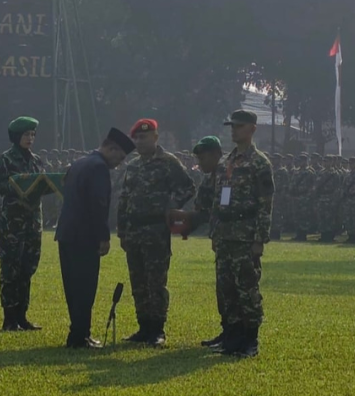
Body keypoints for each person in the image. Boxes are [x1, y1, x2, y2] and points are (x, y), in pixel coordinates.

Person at [116, 119, 195, 347]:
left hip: (156, 230)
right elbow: (124, 198)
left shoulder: (168, 162)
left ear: (155, 138)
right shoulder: (133, 165)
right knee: (138, 281)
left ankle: (157, 329)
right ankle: (143, 327)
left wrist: (170, 207)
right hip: (134, 230)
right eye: (137, 138)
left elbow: (188, 187)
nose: (140, 141)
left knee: (155, 281)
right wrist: (121, 230)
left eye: (145, 137)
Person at [56, 128, 134, 349]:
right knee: (85, 287)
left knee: (73, 287)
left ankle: (77, 332)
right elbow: (98, 205)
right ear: (111, 148)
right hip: (85, 236)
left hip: (67, 234)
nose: (118, 163)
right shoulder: (99, 168)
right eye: (119, 157)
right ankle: (80, 336)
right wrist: (104, 236)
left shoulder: (80, 163)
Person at [211, 110, 273, 357]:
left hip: (245, 234)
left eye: (238, 126)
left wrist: (260, 238)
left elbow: (265, 203)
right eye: (232, 126)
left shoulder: (259, 163)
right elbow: (218, 200)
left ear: (252, 129)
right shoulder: (227, 161)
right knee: (226, 287)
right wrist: (215, 232)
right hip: (225, 233)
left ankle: (250, 339)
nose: (233, 130)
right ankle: (233, 336)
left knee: (247, 286)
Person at [169, 136, 225, 346]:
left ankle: (240, 334)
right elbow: (202, 211)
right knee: (224, 287)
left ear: (216, 155)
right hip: (221, 237)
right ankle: (227, 331)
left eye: (203, 159)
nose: (199, 164)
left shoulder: (229, 175)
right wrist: (180, 222)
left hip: (236, 237)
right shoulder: (210, 178)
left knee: (236, 288)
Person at [0, 117, 46, 331]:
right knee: (11, 269)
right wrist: (19, 183)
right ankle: (9, 318)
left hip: (32, 222)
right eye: (26, 135)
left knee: (27, 268)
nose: (30, 139)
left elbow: (43, 183)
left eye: (33, 135)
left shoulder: (36, 160)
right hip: (12, 224)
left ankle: (22, 316)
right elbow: (1, 186)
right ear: (17, 137)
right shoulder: (6, 159)